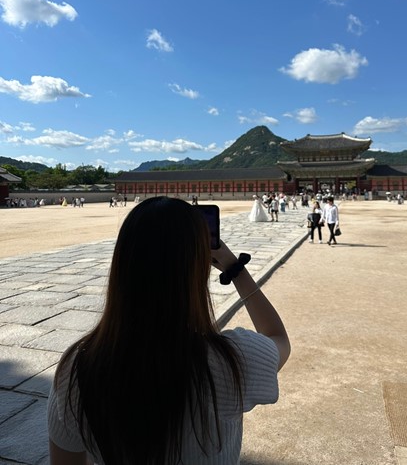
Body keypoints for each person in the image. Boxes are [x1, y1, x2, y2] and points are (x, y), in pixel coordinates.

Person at [47, 196, 290, 465]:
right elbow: (278, 338)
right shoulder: (231, 361)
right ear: (195, 270)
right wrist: (235, 270)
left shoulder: (76, 367)